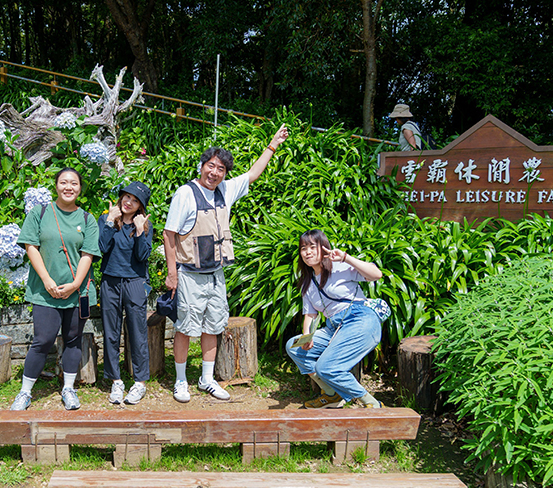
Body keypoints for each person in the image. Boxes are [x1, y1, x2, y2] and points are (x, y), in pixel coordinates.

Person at [163, 124, 289, 403]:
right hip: (190, 274)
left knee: (213, 326)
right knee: (185, 328)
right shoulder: (185, 193)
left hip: (216, 274)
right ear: (201, 166)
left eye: (221, 169)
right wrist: (172, 274)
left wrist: (273, 145)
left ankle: (206, 379)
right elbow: (168, 233)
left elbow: (253, 174)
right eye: (211, 166)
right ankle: (180, 381)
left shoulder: (225, 190)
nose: (214, 172)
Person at [11, 167, 99, 411]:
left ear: (80, 188)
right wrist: (47, 280)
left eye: (74, 183)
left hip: (77, 292)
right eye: (64, 182)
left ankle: (68, 388)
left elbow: (88, 254)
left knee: (73, 340)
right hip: (44, 291)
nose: (68, 187)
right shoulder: (40, 213)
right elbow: (31, 247)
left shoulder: (87, 219)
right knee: (43, 340)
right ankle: (25, 392)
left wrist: (75, 284)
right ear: (56, 185)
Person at [284, 230, 385, 408]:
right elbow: (310, 314)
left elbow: (376, 274)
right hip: (334, 327)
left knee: (326, 367)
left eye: (312, 247)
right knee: (294, 347)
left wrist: (346, 257)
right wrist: (306, 336)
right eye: (303, 248)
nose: (307, 252)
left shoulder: (339, 267)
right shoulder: (307, 283)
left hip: (359, 318)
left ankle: (371, 403)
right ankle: (332, 394)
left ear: (323, 248)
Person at [98, 181, 153, 405]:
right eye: (127, 197)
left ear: (140, 206)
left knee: (138, 332)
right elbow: (101, 248)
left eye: (135, 200)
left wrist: (139, 231)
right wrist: (110, 222)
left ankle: (140, 382)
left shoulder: (145, 225)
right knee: (111, 332)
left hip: (135, 282)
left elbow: (142, 256)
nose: (129, 202)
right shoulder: (107, 219)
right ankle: (116, 380)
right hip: (110, 281)